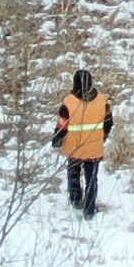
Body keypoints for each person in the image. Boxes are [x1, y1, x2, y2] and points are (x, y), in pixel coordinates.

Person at [52, 68, 110, 217]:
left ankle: (76, 200)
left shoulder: (69, 102)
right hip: (94, 148)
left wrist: (56, 139)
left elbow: (62, 126)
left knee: (73, 174)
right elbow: (109, 122)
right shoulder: (102, 100)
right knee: (91, 179)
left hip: (74, 148)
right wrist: (102, 138)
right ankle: (89, 210)